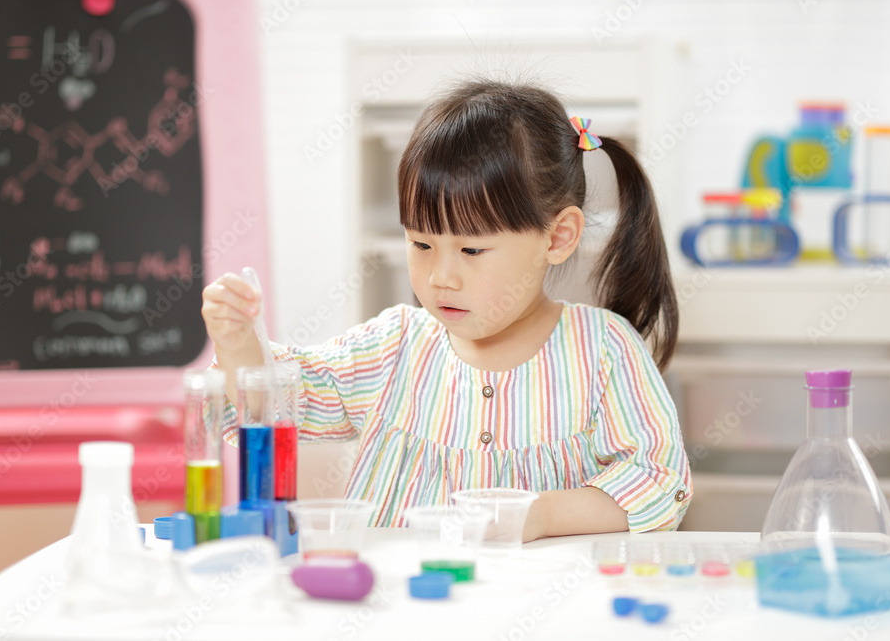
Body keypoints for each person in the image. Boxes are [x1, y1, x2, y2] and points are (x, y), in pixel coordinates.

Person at [201, 79, 691, 539]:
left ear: (558, 236)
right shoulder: (392, 347)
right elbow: (276, 411)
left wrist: (537, 515)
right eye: (420, 243)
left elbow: (660, 481)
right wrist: (240, 343)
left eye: (471, 251)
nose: (440, 277)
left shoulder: (603, 351)